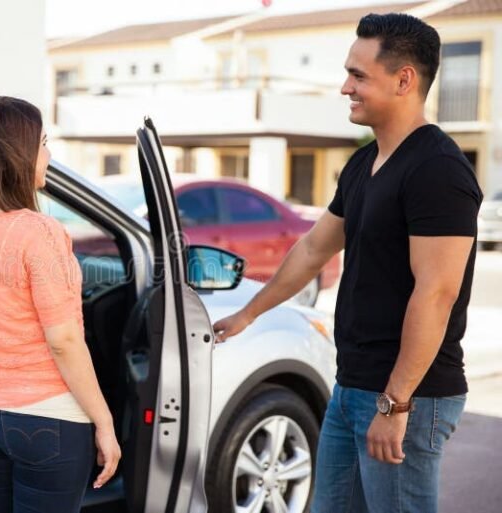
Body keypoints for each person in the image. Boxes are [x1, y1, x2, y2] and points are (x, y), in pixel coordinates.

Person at [213, 13, 482, 513]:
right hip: (352, 386)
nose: (345, 87)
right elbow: (314, 249)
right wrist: (250, 311)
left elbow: (437, 292)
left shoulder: (438, 170)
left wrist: (395, 402)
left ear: (404, 80)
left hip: (408, 397)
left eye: (358, 75)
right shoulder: (364, 162)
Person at [0, 96, 121, 513]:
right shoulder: (39, 232)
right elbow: (65, 340)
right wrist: (104, 421)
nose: (48, 155)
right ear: (14, 154)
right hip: (47, 418)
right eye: (42, 143)